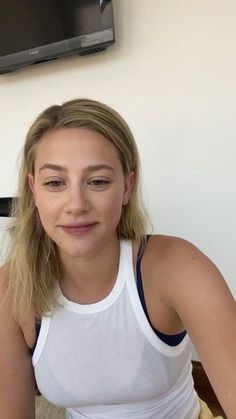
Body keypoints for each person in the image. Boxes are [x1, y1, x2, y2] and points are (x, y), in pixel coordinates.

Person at [0, 98, 235, 419]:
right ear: (34, 190)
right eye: (55, 183)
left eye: (97, 181)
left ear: (127, 186)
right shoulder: (11, 288)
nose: (76, 204)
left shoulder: (178, 267)